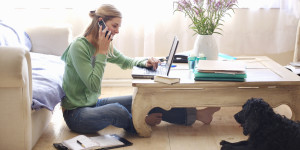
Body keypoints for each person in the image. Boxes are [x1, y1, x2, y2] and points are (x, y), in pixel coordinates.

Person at [61, 4, 220, 134]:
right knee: (116, 110)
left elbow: (125, 61)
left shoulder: (104, 44)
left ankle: (199, 115)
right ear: (100, 22)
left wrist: (146, 62)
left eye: (118, 26)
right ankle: (138, 124)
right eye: (114, 26)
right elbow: (93, 85)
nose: (117, 31)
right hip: (76, 114)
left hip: (94, 104)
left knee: (147, 100)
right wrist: (102, 52)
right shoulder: (79, 47)